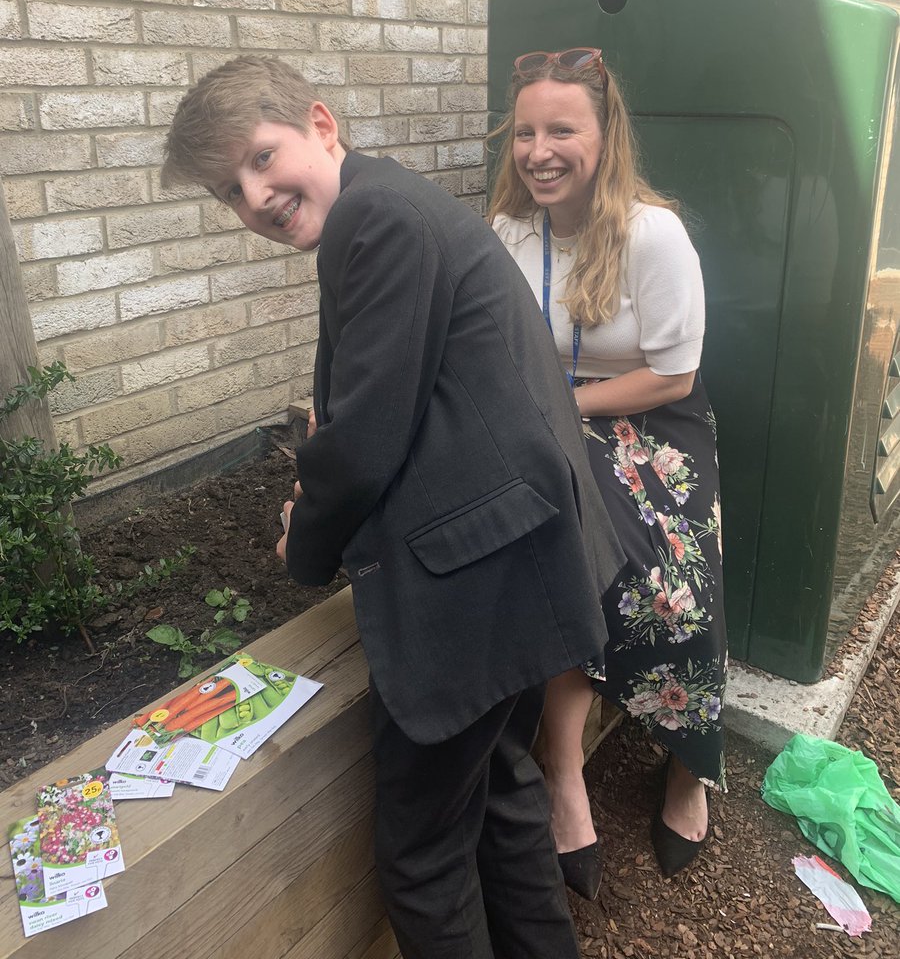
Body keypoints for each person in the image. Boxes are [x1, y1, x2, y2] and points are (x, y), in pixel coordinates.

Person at [161, 55, 626, 958]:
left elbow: (368, 437)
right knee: (500, 794)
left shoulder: (375, 218)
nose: (253, 197)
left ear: (323, 125)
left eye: (262, 158)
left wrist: (307, 539)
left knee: (419, 857)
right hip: (513, 559)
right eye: (229, 191)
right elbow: (422, 403)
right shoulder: (388, 209)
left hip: (479, 586)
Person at [489, 47, 727, 885]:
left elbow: (675, 374)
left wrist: (561, 407)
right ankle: (563, 775)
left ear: (606, 133)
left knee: (677, 585)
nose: (539, 150)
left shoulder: (652, 233)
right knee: (561, 558)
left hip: (651, 422)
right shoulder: (509, 234)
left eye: (562, 129)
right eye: (525, 132)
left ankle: (690, 764)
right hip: (553, 424)